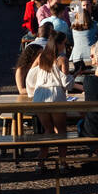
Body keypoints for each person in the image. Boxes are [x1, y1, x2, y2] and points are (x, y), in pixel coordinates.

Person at [25, 43, 71, 171]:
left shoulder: (41, 57)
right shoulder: (62, 59)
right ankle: (62, 162)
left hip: (40, 95)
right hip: (55, 94)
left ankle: (40, 162)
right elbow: (66, 83)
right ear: (60, 45)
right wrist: (76, 74)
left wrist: (32, 89)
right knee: (61, 130)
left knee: (48, 129)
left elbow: (30, 75)